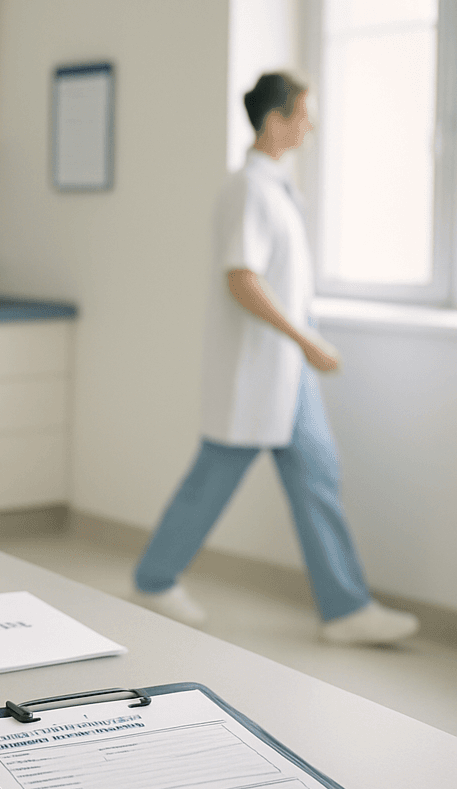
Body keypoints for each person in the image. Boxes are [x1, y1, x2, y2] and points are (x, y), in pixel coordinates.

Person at [132, 71, 418, 645]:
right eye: (302, 113)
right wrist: (306, 339)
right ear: (274, 120)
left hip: (284, 375)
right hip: (258, 370)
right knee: (210, 483)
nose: (310, 124)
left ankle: (345, 609)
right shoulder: (248, 189)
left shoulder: (279, 188)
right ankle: (154, 580)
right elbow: (242, 278)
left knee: (318, 474)